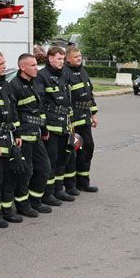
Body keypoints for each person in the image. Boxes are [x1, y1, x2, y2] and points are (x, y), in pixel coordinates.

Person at [0, 51, 38, 228]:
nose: (4, 66)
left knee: (8, 177)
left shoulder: (4, 84)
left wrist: (17, 134)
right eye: (1, 64)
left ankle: (6, 211)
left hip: (8, 139)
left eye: (4, 63)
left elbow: (13, 112)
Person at [8, 53, 54, 214]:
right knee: (25, 172)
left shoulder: (34, 83)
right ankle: (23, 205)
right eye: (33, 65)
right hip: (23, 137)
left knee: (44, 168)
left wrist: (44, 128)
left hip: (36, 133)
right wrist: (17, 135)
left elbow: (39, 109)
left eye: (36, 65)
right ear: (22, 67)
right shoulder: (14, 86)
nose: (36, 68)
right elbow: (13, 114)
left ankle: (35, 201)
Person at [35, 46, 74, 205]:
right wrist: (43, 127)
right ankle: (48, 193)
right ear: (50, 58)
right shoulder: (42, 76)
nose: (61, 62)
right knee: (50, 161)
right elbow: (40, 104)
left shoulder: (64, 74)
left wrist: (70, 122)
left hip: (64, 125)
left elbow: (67, 100)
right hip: (51, 127)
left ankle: (59, 190)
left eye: (63, 59)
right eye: (59, 59)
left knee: (62, 159)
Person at [63, 46, 99, 194]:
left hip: (85, 119)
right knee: (73, 152)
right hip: (73, 121)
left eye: (80, 56)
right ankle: (70, 185)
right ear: (67, 58)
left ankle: (83, 182)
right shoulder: (65, 73)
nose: (79, 58)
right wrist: (69, 121)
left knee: (88, 148)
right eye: (76, 56)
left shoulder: (83, 72)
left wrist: (93, 114)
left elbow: (90, 95)